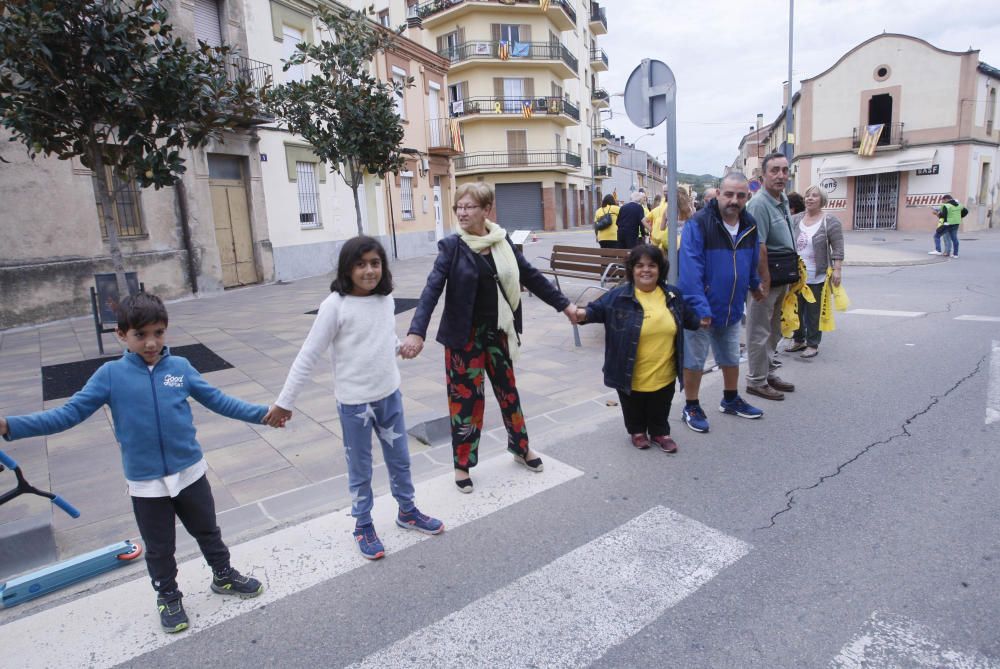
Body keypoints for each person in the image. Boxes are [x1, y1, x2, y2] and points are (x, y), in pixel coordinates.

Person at [0, 293, 270, 634]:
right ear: (122, 335)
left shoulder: (180, 369)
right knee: (160, 548)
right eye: (140, 335)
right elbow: (67, 415)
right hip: (146, 484)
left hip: (190, 473)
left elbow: (219, 401)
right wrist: (10, 426)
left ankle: (224, 576)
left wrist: (264, 414)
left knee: (207, 531)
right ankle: (169, 596)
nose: (151, 342)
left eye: (158, 332)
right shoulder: (109, 375)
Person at [265, 237, 444, 561]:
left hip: (389, 396)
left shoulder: (384, 300)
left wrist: (398, 347)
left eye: (375, 263)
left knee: (400, 460)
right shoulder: (335, 305)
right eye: (360, 264)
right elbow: (308, 355)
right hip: (354, 405)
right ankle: (363, 525)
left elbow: (381, 335)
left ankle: (407, 511)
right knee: (360, 468)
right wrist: (284, 402)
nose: (369, 270)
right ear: (347, 269)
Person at [400, 182, 577, 493]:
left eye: (470, 207)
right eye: (459, 207)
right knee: (465, 402)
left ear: (486, 210)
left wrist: (565, 305)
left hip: (498, 332)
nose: (463, 212)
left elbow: (531, 277)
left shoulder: (502, 242)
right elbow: (431, 290)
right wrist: (417, 331)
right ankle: (462, 464)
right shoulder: (451, 247)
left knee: (508, 393)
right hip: (463, 338)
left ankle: (521, 448)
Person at [577, 245, 700, 452]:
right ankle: (637, 431)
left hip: (664, 370)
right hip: (629, 369)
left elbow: (690, 319)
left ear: (660, 269)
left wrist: (702, 319)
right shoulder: (618, 296)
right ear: (632, 270)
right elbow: (594, 311)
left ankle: (660, 432)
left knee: (661, 403)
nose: (646, 270)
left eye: (652, 265)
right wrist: (581, 314)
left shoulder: (672, 295)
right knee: (633, 404)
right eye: (640, 265)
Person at [677, 172, 764, 433]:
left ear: (747, 196)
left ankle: (730, 399)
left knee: (730, 355)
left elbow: (749, 260)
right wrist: (700, 307)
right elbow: (690, 269)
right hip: (701, 308)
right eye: (729, 194)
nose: (734, 200)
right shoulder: (699, 224)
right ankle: (691, 405)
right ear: (718, 193)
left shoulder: (749, 224)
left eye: (740, 195)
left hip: (732, 306)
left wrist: (755, 282)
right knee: (695, 359)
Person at [744, 152, 797, 401]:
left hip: (781, 275)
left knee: (774, 330)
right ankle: (756, 380)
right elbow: (759, 247)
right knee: (759, 331)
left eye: (785, 170)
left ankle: (768, 372)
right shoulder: (759, 203)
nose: (781, 175)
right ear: (763, 174)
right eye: (775, 170)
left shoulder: (782, 198)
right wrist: (762, 282)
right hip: (765, 279)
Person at [788, 185, 845, 358]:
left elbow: (838, 247)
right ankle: (799, 340)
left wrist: (837, 270)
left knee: (813, 311)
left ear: (822, 200)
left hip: (817, 274)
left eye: (814, 196)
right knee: (795, 308)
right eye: (807, 195)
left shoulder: (830, 221)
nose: (809, 198)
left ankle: (813, 344)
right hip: (796, 274)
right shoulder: (796, 219)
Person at [935, 194, 967, 259]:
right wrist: (959, 216)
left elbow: (943, 216)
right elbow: (966, 211)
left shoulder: (946, 206)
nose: (943, 202)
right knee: (954, 239)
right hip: (956, 223)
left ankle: (938, 251)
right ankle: (955, 254)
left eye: (943, 200)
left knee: (937, 236)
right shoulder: (959, 205)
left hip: (948, 224)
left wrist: (937, 214)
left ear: (946, 199)